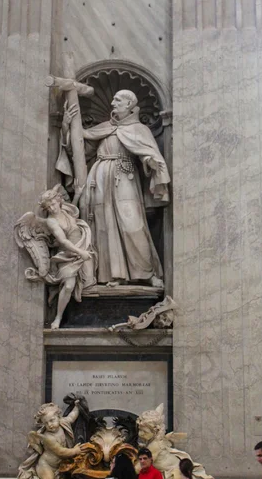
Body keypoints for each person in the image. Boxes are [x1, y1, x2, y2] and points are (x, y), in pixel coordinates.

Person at [61, 90, 170, 287]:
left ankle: (146, 273)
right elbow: (81, 152)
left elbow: (145, 152)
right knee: (103, 227)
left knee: (133, 224)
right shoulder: (104, 128)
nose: (112, 102)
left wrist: (150, 161)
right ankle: (112, 276)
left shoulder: (139, 130)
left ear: (129, 104)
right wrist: (66, 126)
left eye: (118, 100)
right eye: (113, 99)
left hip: (125, 177)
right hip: (99, 179)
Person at [15, 184, 97, 330]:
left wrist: (77, 194)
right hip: (68, 255)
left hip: (82, 245)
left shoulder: (66, 210)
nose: (52, 208)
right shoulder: (51, 222)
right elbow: (63, 242)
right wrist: (80, 253)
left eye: (53, 204)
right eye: (48, 207)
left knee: (89, 283)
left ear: (59, 201)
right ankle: (58, 318)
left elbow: (74, 216)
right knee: (69, 286)